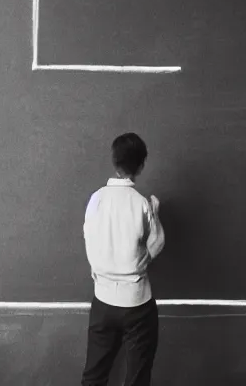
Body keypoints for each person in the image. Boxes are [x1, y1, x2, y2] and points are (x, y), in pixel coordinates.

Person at [81, 132, 165, 386]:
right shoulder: (141, 204)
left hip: (103, 299)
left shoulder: (95, 199)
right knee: (137, 376)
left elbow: (88, 235)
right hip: (137, 304)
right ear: (140, 166)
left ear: (114, 161)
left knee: (94, 375)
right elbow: (157, 243)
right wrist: (156, 214)